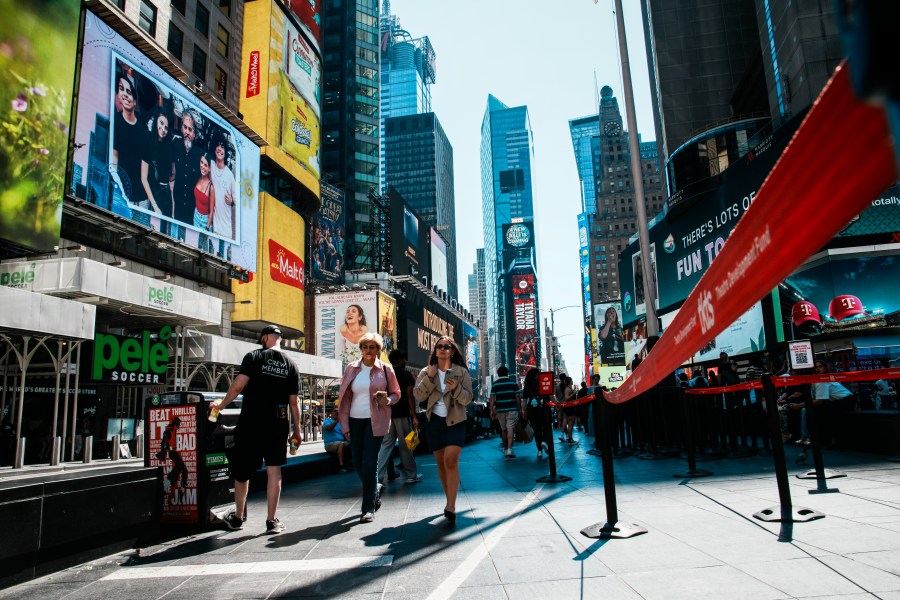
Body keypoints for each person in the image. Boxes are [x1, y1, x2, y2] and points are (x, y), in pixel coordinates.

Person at [210, 325, 301, 534]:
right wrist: (297, 431)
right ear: (280, 339)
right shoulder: (291, 365)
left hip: (251, 421)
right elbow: (294, 402)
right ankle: (272, 521)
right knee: (274, 469)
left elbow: (238, 386)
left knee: (242, 471)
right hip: (278, 423)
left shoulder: (254, 356)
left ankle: (238, 518)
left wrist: (221, 405)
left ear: (265, 338)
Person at [336, 332, 400, 523]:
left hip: (377, 420)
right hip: (355, 420)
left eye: (373, 347)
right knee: (356, 461)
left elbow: (396, 394)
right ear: (361, 349)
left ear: (378, 350)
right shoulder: (351, 368)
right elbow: (345, 398)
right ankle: (374, 491)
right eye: (365, 347)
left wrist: (387, 399)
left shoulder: (386, 370)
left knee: (369, 462)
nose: (369, 351)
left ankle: (368, 508)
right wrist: (344, 424)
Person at [413, 336, 473, 525]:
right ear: (435, 350)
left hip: (456, 421)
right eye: (439, 346)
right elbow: (418, 395)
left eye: (446, 347)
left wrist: (456, 389)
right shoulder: (426, 371)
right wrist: (430, 378)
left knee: (451, 460)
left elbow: (467, 399)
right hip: (434, 422)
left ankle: (451, 505)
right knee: (441, 462)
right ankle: (449, 500)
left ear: (452, 351)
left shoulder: (461, 372)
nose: (442, 349)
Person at [377, 350, 423, 486]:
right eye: (403, 359)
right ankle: (411, 475)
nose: (405, 362)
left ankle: (377, 477)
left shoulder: (386, 374)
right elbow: (409, 396)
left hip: (388, 415)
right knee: (405, 446)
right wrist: (414, 415)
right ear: (400, 360)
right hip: (402, 414)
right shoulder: (406, 374)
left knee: (386, 445)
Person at [111, 68, 143, 219]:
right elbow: (114, 158)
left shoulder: (139, 127)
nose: (124, 95)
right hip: (119, 189)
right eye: (121, 89)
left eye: (128, 91)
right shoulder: (115, 120)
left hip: (133, 193)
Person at [139, 108, 173, 235]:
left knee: (165, 231)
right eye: (161, 124)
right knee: (152, 230)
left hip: (166, 194)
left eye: (166, 126)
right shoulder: (148, 144)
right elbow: (144, 178)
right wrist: (154, 205)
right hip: (155, 193)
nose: (163, 129)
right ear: (156, 123)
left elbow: (171, 174)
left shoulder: (167, 146)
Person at [170, 110, 201, 241]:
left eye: (190, 129)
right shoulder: (175, 145)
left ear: (195, 133)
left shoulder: (199, 154)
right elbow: (171, 173)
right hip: (176, 206)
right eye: (185, 127)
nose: (187, 132)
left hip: (192, 210)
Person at [808, 359, 855, 447]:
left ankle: (828, 439)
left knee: (822, 410)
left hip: (846, 400)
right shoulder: (815, 381)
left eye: (820, 367)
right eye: (816, 367)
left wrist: (800, 405)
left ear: (825, 369)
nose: (818, 369)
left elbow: (819, 401)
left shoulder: (823, 380)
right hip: (838, 401)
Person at [210, 138, 237, 249]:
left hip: (226, 231)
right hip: (212, 228)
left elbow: (236, 201)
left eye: (222, 147)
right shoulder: (210, 166)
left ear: (225, 152)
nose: (219, 149)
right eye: (218, 146)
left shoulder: (229, 175)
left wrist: (231, 201)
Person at [489, 365, 522, 458]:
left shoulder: (495, 384)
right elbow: (518, 396)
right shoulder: (513, 383)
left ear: (498, 374)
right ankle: (510, 450)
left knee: (504, 430)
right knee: (510, 428)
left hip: (500, 410)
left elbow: (492, 398)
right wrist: (519, 408)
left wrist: (492, 410)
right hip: (512, 409)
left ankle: (505, 448)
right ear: (507, 373)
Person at [155, 417, 187, 500]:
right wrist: (165, 452)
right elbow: (165, 442)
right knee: (180, 466)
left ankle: (182, 488)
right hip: (171, 452)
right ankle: (168, 482)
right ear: (176, 423)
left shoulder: (173, 429)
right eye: (178, 423)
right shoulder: (170, 429)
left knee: (183, 468)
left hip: (173, 451)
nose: (179, 425)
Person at [522, 368, 549, 458]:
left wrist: (524, 411)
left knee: (536, 429)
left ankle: (539, 450)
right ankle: (545, 441)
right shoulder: (542, 382)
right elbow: (549, 394)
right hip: (542, 407)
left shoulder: (527, 385)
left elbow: (524, 400)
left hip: (531, 408)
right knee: (545, 425)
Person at [193, 152, 216, 252]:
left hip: (204, 221)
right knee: (194, 245)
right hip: (196, 216)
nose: (202, 166)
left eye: (205, 165)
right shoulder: (197, 177)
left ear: (210, 168)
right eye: (201, 162)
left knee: (203, 250)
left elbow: (211, 211)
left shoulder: (211, 187)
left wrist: (207, 228)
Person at [323, 408, 351, 473]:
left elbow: (345, 435)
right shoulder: (327, 421)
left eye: (338, 411)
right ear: (331, 413)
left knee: (351, 444)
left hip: (341, 442)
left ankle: (351, 463)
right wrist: (337, 421)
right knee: (341, 444)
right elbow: (329, 428)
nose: (337, 412)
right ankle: (341, 465)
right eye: (335, 411)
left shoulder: (341, 423)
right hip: (330, 444)